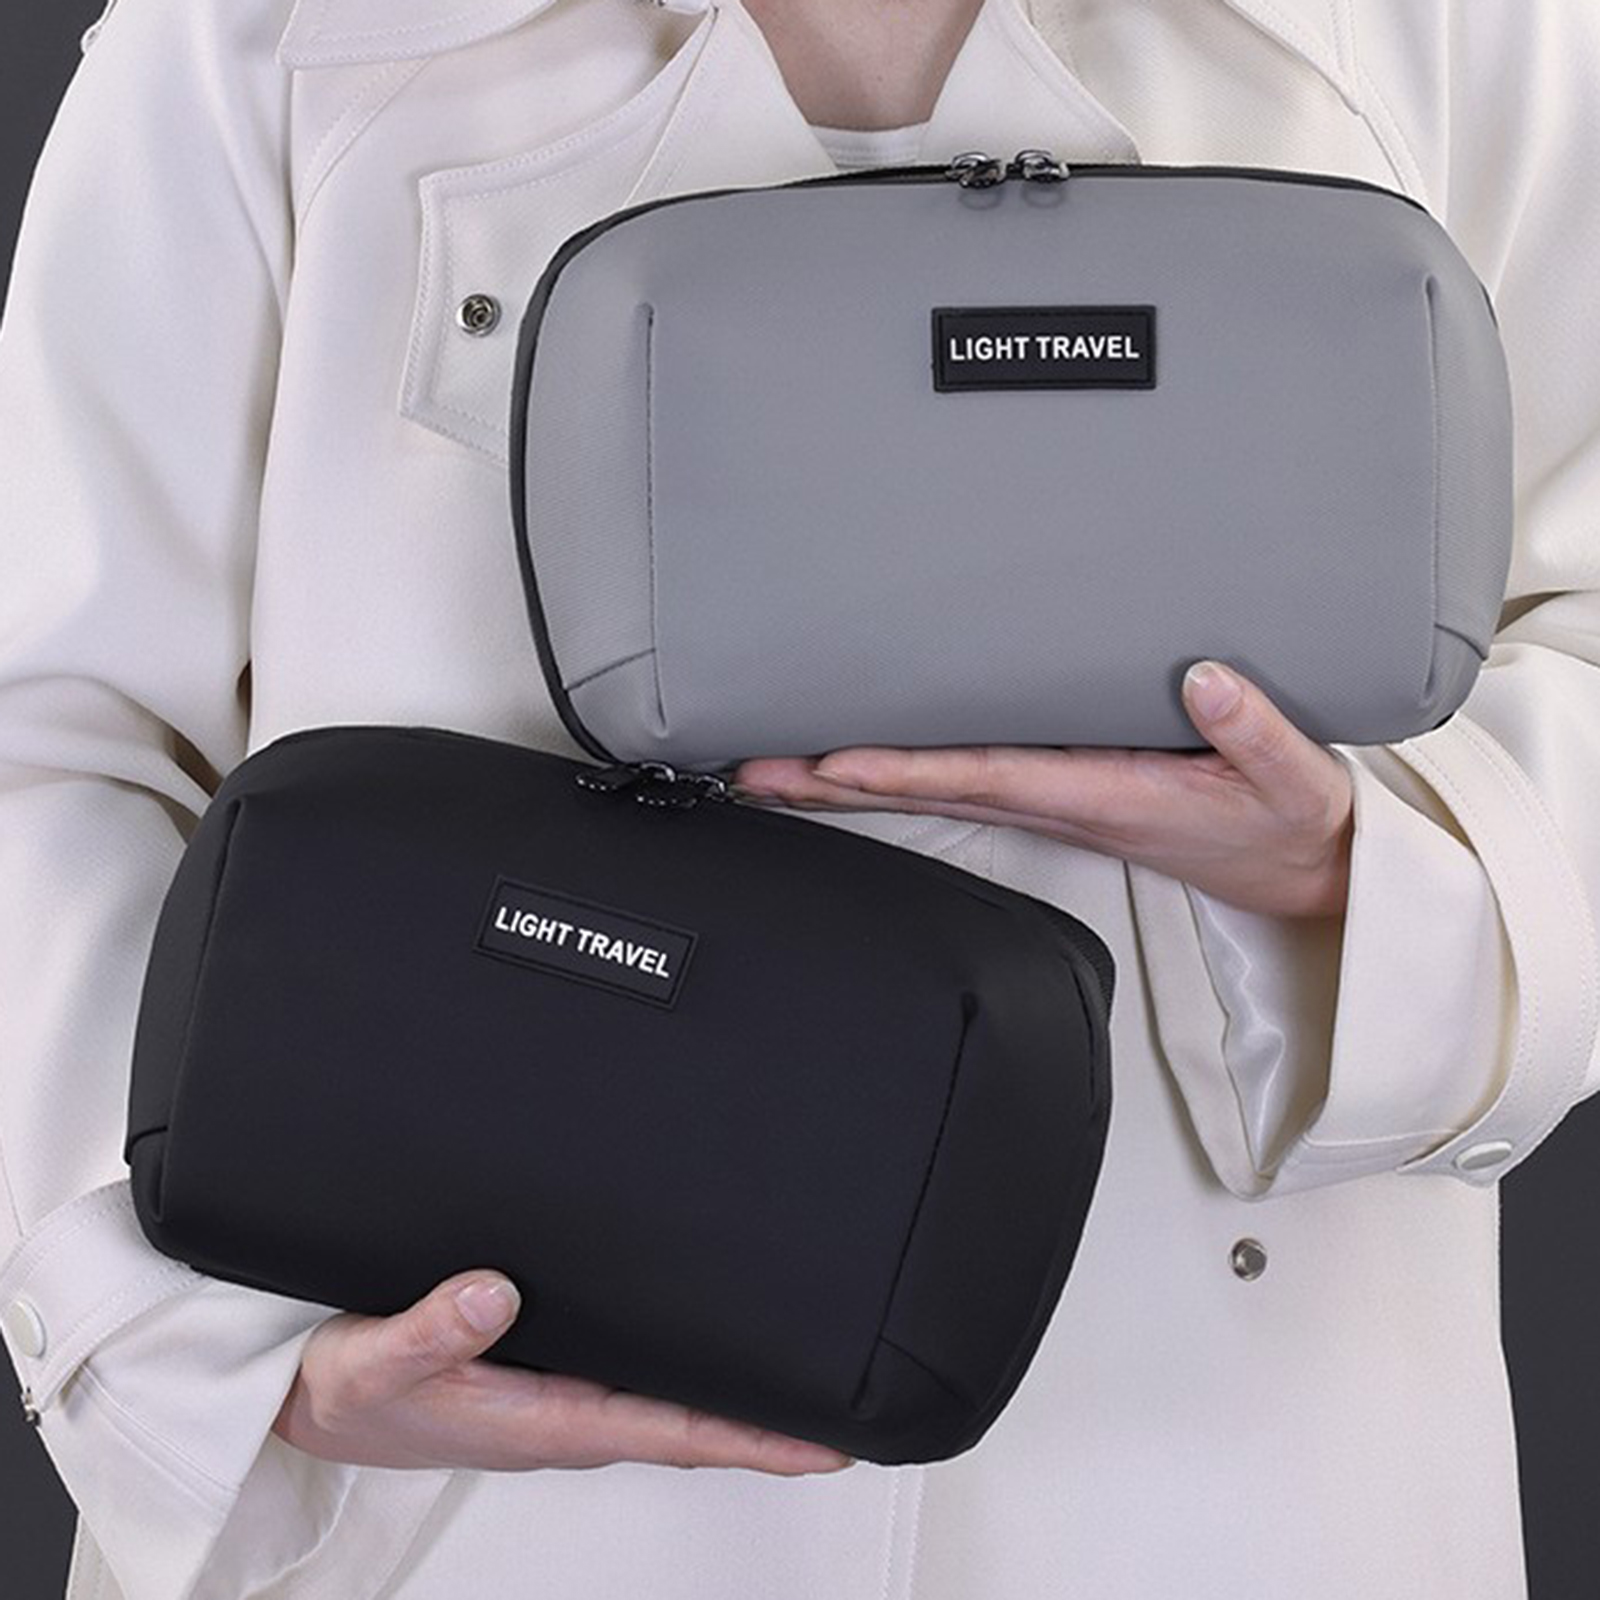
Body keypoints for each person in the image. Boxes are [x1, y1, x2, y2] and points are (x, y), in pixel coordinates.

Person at [1, 0, 1596, 1595]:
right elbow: (47, 741)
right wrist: (216, 1357)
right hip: (469, 1482)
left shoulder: (1470, 31)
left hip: (1243, 1472)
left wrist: (1359, 870)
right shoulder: (245, 42)